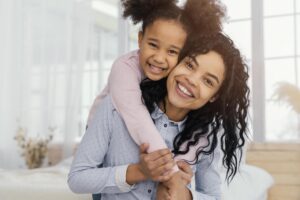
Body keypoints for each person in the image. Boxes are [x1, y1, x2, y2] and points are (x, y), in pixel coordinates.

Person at [68, 33, 250, 200]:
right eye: (189, 65)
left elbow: (213, 196)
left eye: (208, 81)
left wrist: (186, 195)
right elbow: (77, 178)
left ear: (214, 96)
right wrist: (138, 171)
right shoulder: (116, 107)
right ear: (176, 61)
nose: (192, 80)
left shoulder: (206, 137)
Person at [87, 0, 225, 173]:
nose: (159, 58)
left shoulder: (172, 77)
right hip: (103, 142)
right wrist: (171, 170)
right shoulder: (124, 68)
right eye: (153, 45)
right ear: (140, 39)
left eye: (172, 51)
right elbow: (137, 118)